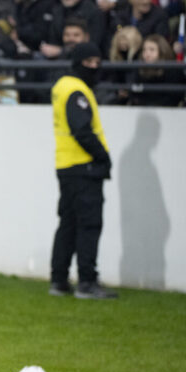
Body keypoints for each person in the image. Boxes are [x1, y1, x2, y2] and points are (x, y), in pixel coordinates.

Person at [49, 42, 117, 299]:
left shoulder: (61, 87)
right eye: (90, 62)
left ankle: (59, 279)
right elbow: (82, 130)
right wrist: (103, 156)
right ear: (79, 63)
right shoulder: (77, 91)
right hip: (83, 166)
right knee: (89, 224)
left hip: (66, 165)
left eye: (97, 62)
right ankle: (87, 282)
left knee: (67, 223)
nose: (94, 67)